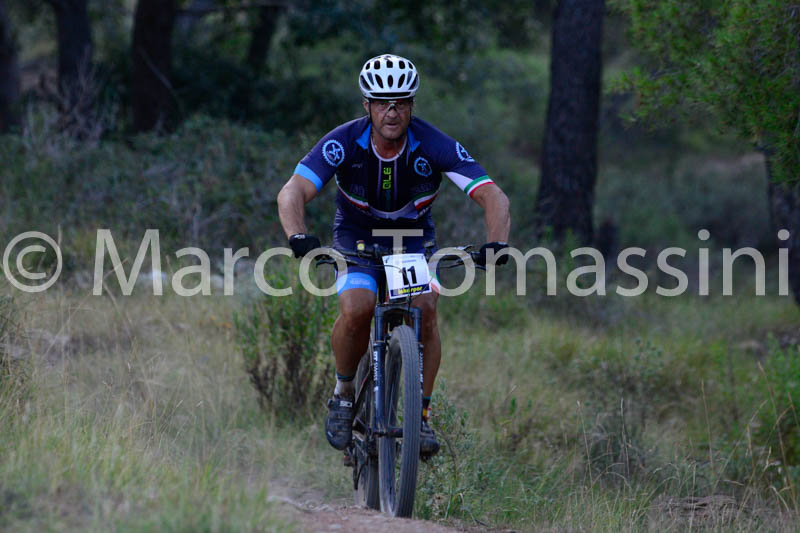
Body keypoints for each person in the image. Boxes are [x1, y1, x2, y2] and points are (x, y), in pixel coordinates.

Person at [277, 54, 510, 457]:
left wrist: (497, 242)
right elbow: (292, 191)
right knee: (357, 308)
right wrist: (297, 234)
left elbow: (492, 194)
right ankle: (344, 393)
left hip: (411, 243)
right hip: (356, 240)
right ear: (366, 105)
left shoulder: (433, 144)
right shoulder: (343, 142)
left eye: (401, 102)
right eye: (382, 102)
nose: (391, 111)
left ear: (412, 105)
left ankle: (421, 416)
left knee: (425, 308)